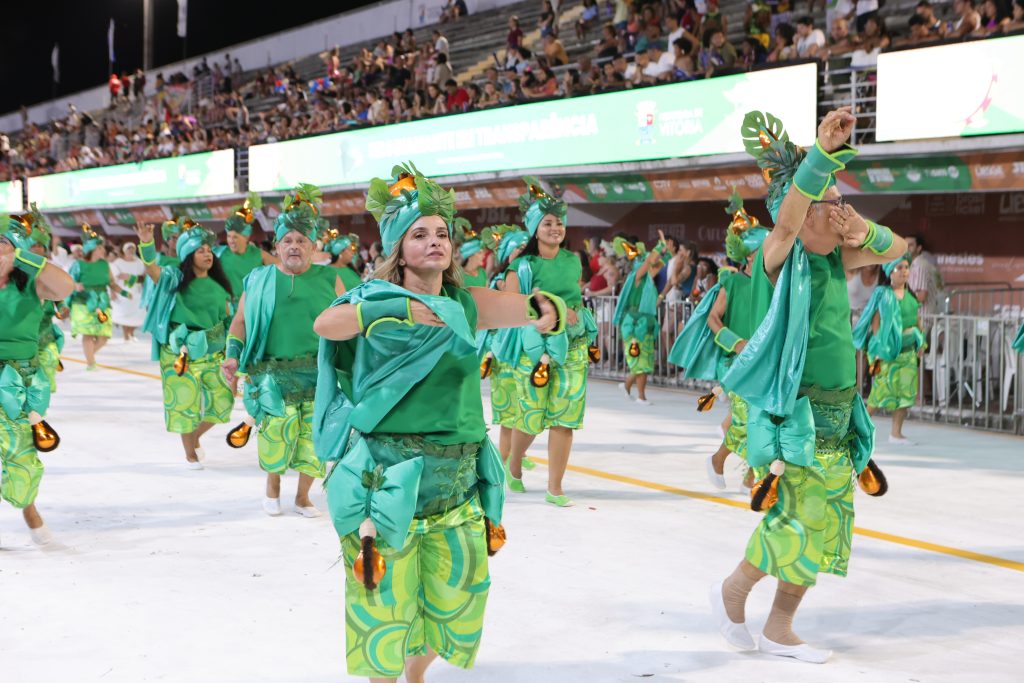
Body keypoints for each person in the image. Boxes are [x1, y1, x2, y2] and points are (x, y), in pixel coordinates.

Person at [311, 162, 562, 682]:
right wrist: (390, 314)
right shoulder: (374, 297)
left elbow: (533, 308)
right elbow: (326, 323)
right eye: (419, 235)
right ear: (397, 249)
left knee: (459, 604)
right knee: (381, 605)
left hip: (459, 479)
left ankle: (416, 672)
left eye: (441, 234)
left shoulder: (465, 304)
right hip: (387, 476)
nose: (434, 243)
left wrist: (548, 307)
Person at [711, 108, 907, 663]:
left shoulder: (837, 259)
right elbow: (788, 223)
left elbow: (896, 248)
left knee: (820, 528)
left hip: (841, 419)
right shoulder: (778, 258)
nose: (838, 208)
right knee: (793, 523)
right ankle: (734, 590)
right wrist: (820, 153)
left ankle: (779, 626)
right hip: (796, 417)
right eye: (827, 204)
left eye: (840, 200)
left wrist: (862, 231)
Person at [221, 184, 345, 517]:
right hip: (272, 376)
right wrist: (232, 354)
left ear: (314, 246)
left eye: (301, 240)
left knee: (314, 439)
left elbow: (347, 326)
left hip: (319, 376)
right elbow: (240, 323)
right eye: (287, 240)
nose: (294, 246)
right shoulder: (259, 278)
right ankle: (272, 489)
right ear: (277, 246)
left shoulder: (331, 279)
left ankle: (303, 497)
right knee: (276, 435)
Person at [503, 178, 596, 507]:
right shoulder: (523, 265)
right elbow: (508, 302)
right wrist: (547, 307)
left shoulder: (573, 260)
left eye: (559, 222)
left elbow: (577, 295)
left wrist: (572, 311)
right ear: (533, 228)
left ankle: (555, 487)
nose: (555, 228)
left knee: (565, 417)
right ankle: (513, 467)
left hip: (572, 346)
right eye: (547, 223)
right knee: (531, 415)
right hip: (535, 349)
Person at [669, 191, 768, 492]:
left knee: (762, 419)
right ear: (751, 256)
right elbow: (714, 319)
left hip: (764, 362)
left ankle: (751, 476)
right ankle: (718, 459)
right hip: (737, 364)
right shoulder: (732, 281)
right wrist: (737, 343)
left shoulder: (775, 285)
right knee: (747, 420)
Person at [0, 209, 76, 545]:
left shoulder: (31, 280)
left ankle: (29, 510)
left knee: (20, 452)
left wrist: (24, 257)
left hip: (17, 377)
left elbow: (65, 287)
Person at [136, 217, 235, 469]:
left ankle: (195, 437)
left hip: (212, 351)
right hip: (180, 353)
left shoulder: (218, 286)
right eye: (200, 250)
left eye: (209, 250)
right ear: (188, 254)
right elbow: (152, 270)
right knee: (185, 405)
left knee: (223, 401)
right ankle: (190, 453)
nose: (207, 254)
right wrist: (147, 245)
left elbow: (226, 320)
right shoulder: (173, 278)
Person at [477, 224, 535, 473]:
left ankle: (514, 455)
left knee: (526, 409)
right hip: (503, 354)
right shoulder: (500, 283)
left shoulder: (532, 278)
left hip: (526, 352)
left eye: (526, 247)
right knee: (509, 413)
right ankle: (503, 461)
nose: (524, 252)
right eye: (518, 248)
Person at [854, 254, 925, 444]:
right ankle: (858, 433)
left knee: (906, 394)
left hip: (908, 352)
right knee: (879, 394)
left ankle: (896, 433)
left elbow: (918, 320)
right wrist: (880, 350)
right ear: (890, 272)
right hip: (888, 353)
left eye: (906, 268)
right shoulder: (884, 295)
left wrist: (921, 342)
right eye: (899, 268)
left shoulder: (911, 295)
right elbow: (876, 323)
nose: (904, 272)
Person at [613, 236, 667, 405]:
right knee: (640, 361)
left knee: (645, 360)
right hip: (634, 325)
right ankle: (641, 396)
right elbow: (650, 262)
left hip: (645, 322)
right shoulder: (636, 276)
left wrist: (662, 253)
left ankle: (627, 385)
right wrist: (660, 246)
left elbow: (659, 264)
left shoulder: (647, 279)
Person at [67, 224, 121, 370]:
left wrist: (121, 291)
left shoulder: (104, 264)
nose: (103, 250)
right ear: (91, 248)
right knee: (88, 334)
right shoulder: (78, 265)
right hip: (82, 303)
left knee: (104, 336)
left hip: (102, 302)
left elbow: (111, 282)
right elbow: (68, 282)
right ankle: (91, 363)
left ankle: (88, 354)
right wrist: (75, 285)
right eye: (100, 247)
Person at [215, 192, 277, 312]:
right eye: (229, 236)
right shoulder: (219, 254)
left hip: (252, 308)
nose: (231, 241)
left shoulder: (259, 254)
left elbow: (281, 268)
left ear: (246, 237)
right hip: (226, 309)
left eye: (235, 237)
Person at [111, 243, 146, 342]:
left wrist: (131, 277)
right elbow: (114, 277)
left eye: (132, 249)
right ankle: (125, 334)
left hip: (137, 291)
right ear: (124, 250)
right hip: (122, 291)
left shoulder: (139, 262)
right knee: (125, 314)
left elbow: (143, 277)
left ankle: (131, 332)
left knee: (136, 314)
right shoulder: (118, 262)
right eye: (128, 249)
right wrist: (113, 292)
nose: (131, 251)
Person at [455, 219, 489, 287]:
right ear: (470, 255)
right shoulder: (458, 277)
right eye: (479, 253)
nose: (483, 256)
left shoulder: (482, 272)